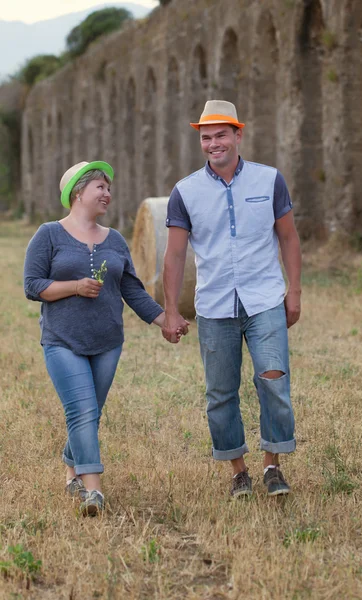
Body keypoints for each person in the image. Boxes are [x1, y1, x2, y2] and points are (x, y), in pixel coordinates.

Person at [162, 100, 301, 498]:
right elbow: (173, 255)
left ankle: (273, 465)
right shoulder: (184, 192)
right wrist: (170, 309)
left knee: (273, 380)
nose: (213, 143)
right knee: (220, 392)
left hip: (264, 299)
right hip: (215, 304)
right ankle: (238, 470)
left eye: (221, 134)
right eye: (206, 137)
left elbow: (288, 237)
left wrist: (294, 290)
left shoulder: (269, 180)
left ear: (238, 135)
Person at [24, 160, 176, 516]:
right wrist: (74, 286)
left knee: (89, 415)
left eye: (109, 188)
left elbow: (132, 291)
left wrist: (165, 321)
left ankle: (71, 470)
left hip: (108, 341)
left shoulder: (115, 240)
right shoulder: (48, 235)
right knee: (82, 410)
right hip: (62, 340)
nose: (108, 193)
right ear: (78, 193)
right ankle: (93, 492)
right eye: (100, 187)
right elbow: (32, 285)